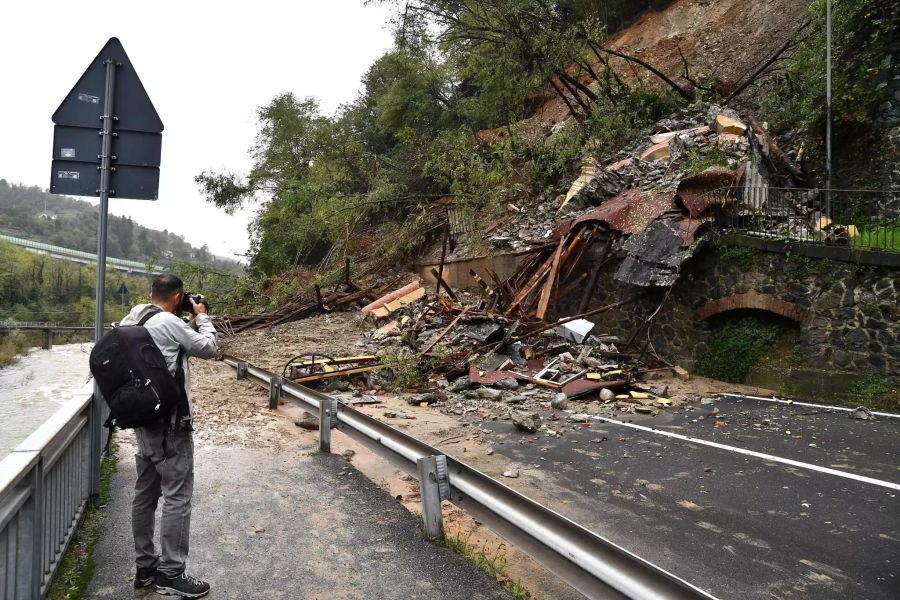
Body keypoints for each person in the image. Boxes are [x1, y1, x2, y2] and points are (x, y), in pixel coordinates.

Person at [119, 274, 217, 598]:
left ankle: (145, 568)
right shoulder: (168, 323)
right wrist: (201, 316)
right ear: (177, 297)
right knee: (177, 495)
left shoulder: (130, 319)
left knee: (145, 494)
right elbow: (209, 347)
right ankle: (171, 573)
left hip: (142, 421)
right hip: (171, 426)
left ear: (151, 293)